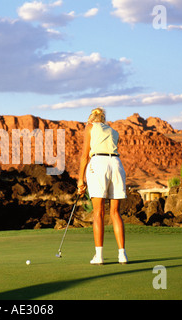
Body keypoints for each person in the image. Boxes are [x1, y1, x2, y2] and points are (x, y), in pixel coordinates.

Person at [77, 107, 128, 265]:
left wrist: (80, 180)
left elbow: (85, 155)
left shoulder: (90, 127)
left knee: (98, 211)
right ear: (104, 119)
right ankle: (122, 255)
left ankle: (99, 256)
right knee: (115, 212)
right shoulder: (113, 131)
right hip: (117, 164)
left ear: (91, 119)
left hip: (99, 164)